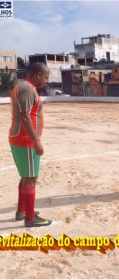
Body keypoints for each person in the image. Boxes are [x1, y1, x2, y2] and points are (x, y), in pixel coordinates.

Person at [9, 62, 52, 227]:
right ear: (39, 75)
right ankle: (30, 217)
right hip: (25, 140)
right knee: (30, 178)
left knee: (26, 177)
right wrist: (36, 141)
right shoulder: (27, 89)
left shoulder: (23, 86)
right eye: (46, 77)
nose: (46, 81)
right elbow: (25, 116)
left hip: (20, 138)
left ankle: (22, 211)